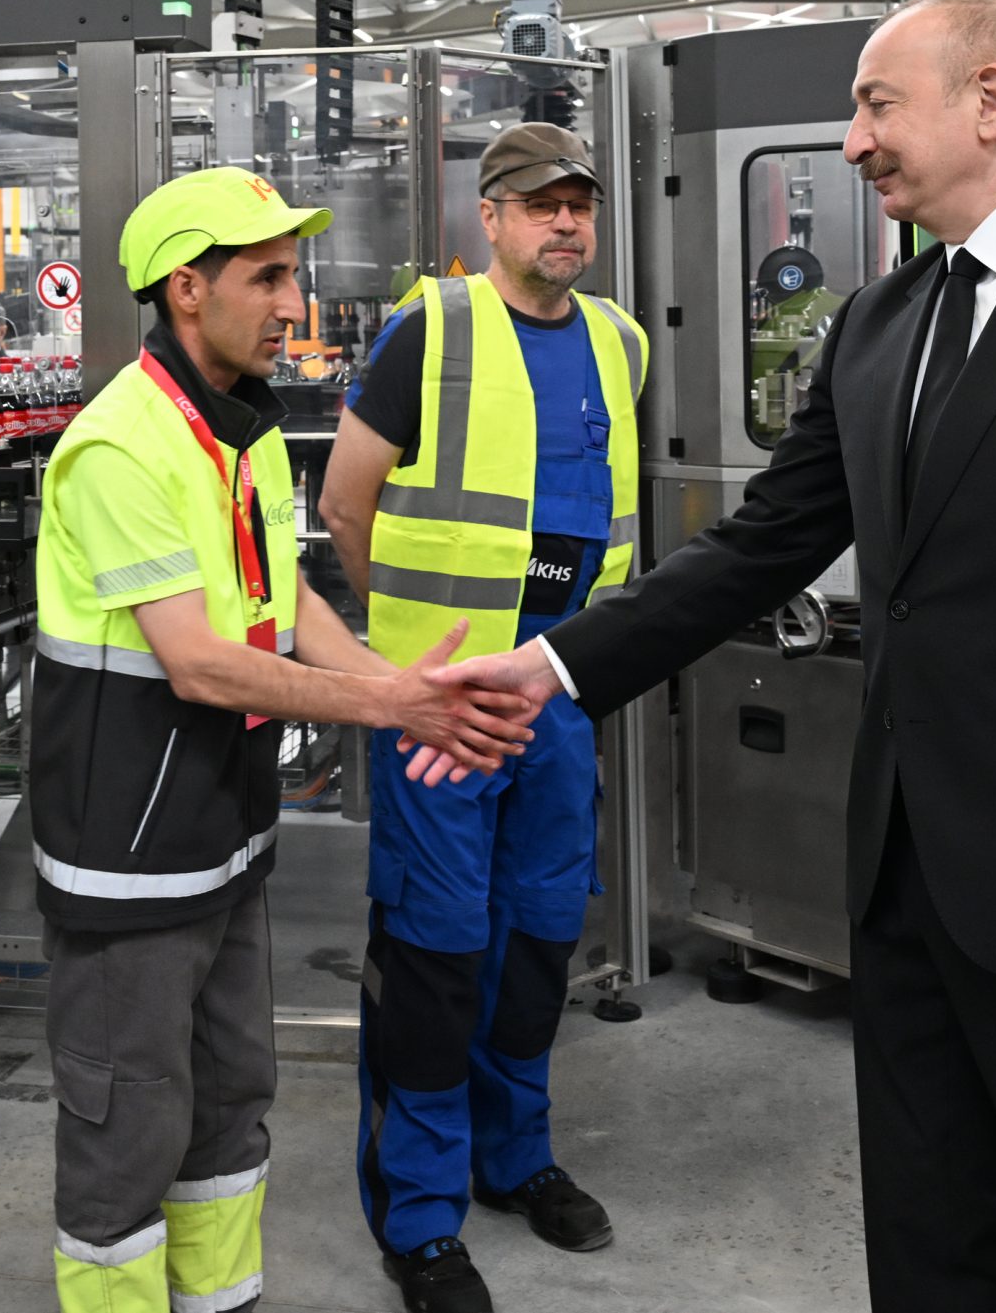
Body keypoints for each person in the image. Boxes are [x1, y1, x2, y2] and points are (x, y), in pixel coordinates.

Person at [432, 0, 996, 1312]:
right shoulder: (880, 325)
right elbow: (759, 547)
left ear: (989, 102)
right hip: (908, 896)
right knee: (930, 1256)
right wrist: (558, 666)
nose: (853, 142)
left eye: (874, 104)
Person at [32, 166, 539, 1313]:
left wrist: (407, 683)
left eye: (292, 274)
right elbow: (200, 660)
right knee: (129, 1119)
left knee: (228, 1096)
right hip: (127, 852)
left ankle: (221, 1300)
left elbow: (285, 604)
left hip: (223, 830)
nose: (293, 301)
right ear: (186, 287)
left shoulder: (245, 434)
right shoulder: (120, 445)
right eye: (267, 276)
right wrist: (397, 710)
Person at [318, 124, 648, 1313]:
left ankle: (517, 1160)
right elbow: (345, 502)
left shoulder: (620, 341)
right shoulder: (432, 332)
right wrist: (406, 654)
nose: (563, 222)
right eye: (538, 204)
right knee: (435, 956)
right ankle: (419, 1216)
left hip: (554, 701)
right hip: (442, 713)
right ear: (491, 220)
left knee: (538, 940)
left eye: (578, 205)